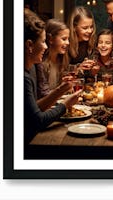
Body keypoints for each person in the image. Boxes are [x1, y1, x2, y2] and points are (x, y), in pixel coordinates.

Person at [24, 12, 81, 144]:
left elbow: (34, 108)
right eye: (43, 42)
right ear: (29, 45)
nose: (45, 46)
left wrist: (61, 89)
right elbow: (38, 120)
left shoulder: (29, 69)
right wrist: (65, 105)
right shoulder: (25, 77)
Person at [36, 19, 70, 96]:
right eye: (64, 39)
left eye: (68, 39)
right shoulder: (41, 63)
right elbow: (43, 95)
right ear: (50, 39)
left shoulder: (61, 60)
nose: (68, 42)